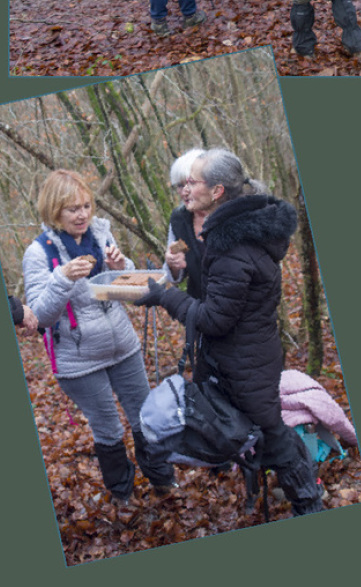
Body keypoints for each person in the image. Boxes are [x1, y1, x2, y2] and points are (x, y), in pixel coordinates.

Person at [139, 149, 324, 517]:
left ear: (218, 191)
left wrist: (165, 297)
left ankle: (309, 504)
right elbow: (212, 302)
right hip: (237, 353)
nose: (184, 189)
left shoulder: (232, 245)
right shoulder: (230, 227)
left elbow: (214, 319)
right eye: (182, 183)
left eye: (192, 182)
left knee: (273, 434)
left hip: (246, 361)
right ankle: (262, 489)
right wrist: (172, 275)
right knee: (244, 429)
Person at [22, 170, 175, 500]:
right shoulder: (38, 253)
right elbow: (40, 317)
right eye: (72, 209)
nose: (82, 215)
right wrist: (62, 278)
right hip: (79, 360)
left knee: (146, 417)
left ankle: (163, 480)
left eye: (86, 206)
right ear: (54, 211)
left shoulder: (101, 234)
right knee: (108, 428)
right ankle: (122, 494)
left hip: (122, 345)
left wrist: (121, 266)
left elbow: (131, 291)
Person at [162, 148, 208, 299]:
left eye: (191, 183)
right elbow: (174, 276)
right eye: (180, 186)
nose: (184, 192)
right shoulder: (179, 220)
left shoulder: (230, 214)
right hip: (199, 306)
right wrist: (173, 264)